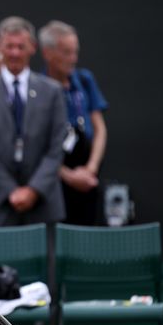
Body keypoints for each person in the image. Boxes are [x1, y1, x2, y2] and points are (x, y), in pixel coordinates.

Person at [0, 16, 68, 226]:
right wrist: (9, 190)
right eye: (9, 46)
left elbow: (58, 146)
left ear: (33, 48)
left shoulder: (53, 92)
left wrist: (33, 190)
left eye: (21, 46)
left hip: (43, 206)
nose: (15, 52)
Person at [40, 20, 109, 225]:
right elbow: (38, 144)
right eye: (66, 52)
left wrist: (91, 168)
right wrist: (68, 176)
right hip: (56, 175)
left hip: (87, 172)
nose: (73, 59)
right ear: (48, 53)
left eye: (75, 52)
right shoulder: (39, 88)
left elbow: (100, 129)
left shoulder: (85, 80)